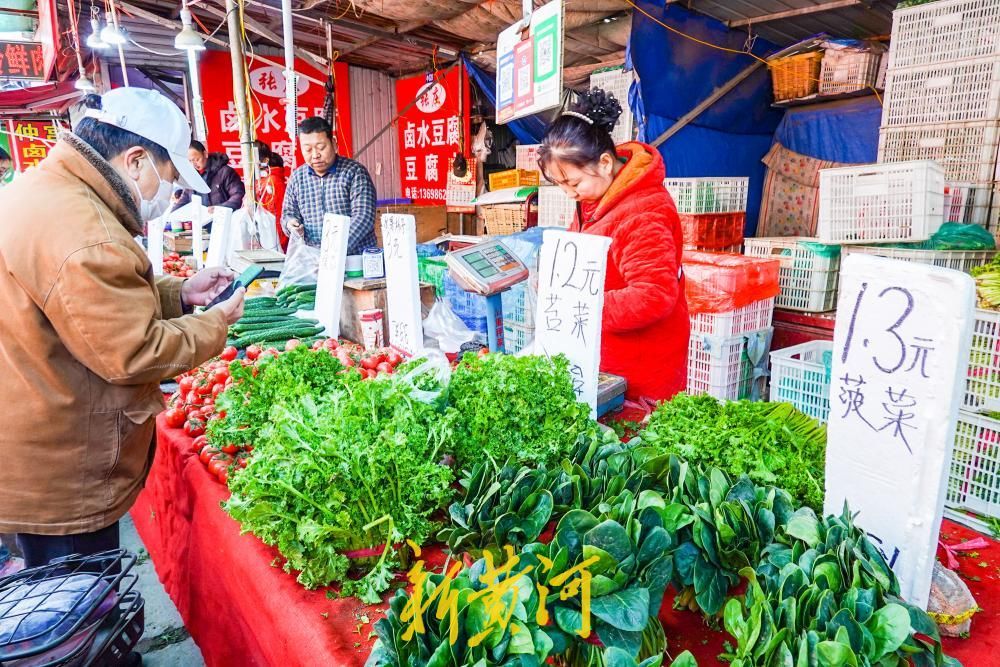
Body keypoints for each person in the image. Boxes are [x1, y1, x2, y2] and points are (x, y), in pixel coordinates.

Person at [0, 88, 245, 571]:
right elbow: (134, 352)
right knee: (73, 613)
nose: (169, 194)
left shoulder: (47, 190)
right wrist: (214, 323)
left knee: (68, 609)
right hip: (60, 469)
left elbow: (81, 304)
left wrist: (180, 293)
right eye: (169, 177)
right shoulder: (85, 229)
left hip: (36, 440)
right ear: (135, 160)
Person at [537, 89, 690, 403]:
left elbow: (654, 295)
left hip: (642, 366)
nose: (569, 194)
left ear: (605, 163)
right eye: (561, 185)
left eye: (574, 183)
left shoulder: (643, 211)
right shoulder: (595, 199)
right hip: (605, 357)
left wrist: (578, 307)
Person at [282, 116, 376, 254]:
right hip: (314, 259)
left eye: (321, 147)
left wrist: (333, 249)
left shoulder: (354, 172)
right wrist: (291, 224)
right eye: (308, 150)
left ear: (334, 144)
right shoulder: (297, 178)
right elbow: (288, 214)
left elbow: (363, 217)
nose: (315, 155)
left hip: (354, 258)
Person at [173, 139, 246, 214]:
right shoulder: (192, 177)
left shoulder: (225, 172)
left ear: (205, 154)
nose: (193, 165)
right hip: (200, 221)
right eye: (190, 161)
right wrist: (169, 216)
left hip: (223, 220)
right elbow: (184, 199)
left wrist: (220, 208)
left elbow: (239, 195)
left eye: (196, 159)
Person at [256, 152, 289, 250]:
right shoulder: (273, 180)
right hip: (274, 233)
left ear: (266, 162)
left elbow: (273, 214)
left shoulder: (271, 181)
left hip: (272, 235)